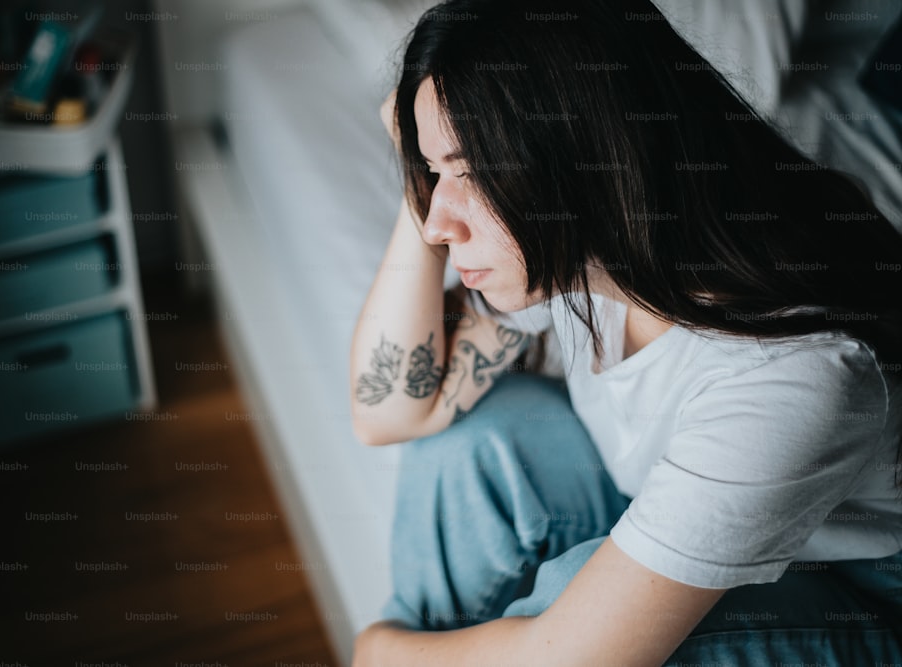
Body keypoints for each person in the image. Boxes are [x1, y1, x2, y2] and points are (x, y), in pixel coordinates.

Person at [348, 1, 902, 664]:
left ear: (587, 156)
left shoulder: (794, 372)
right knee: (472, 444)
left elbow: (566, 658)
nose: (438, 224)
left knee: (574, 599)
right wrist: (425, 177)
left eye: (472, 173)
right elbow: (386, 412)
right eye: (434, 176)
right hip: (709, 511)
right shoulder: (593, 249)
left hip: (854, 596)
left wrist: (381, 650)